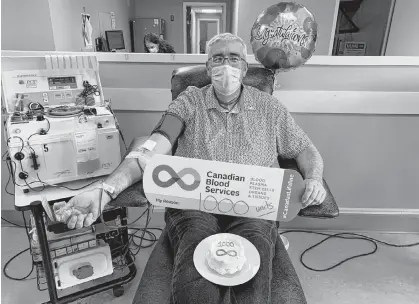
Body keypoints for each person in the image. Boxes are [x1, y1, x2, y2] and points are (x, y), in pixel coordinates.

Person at [54, 33, 326, 304]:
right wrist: (105, 190)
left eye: (234, 58)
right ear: (208, 67)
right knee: (196, 271)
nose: (226, 65)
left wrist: (313, 178)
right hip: (193, 205)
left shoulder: (271, 109)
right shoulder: (189, 101)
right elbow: (155, 145)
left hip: (254, 207)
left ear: (245, 67)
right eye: (218, 58)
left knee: (251, 276)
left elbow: (305, 150)